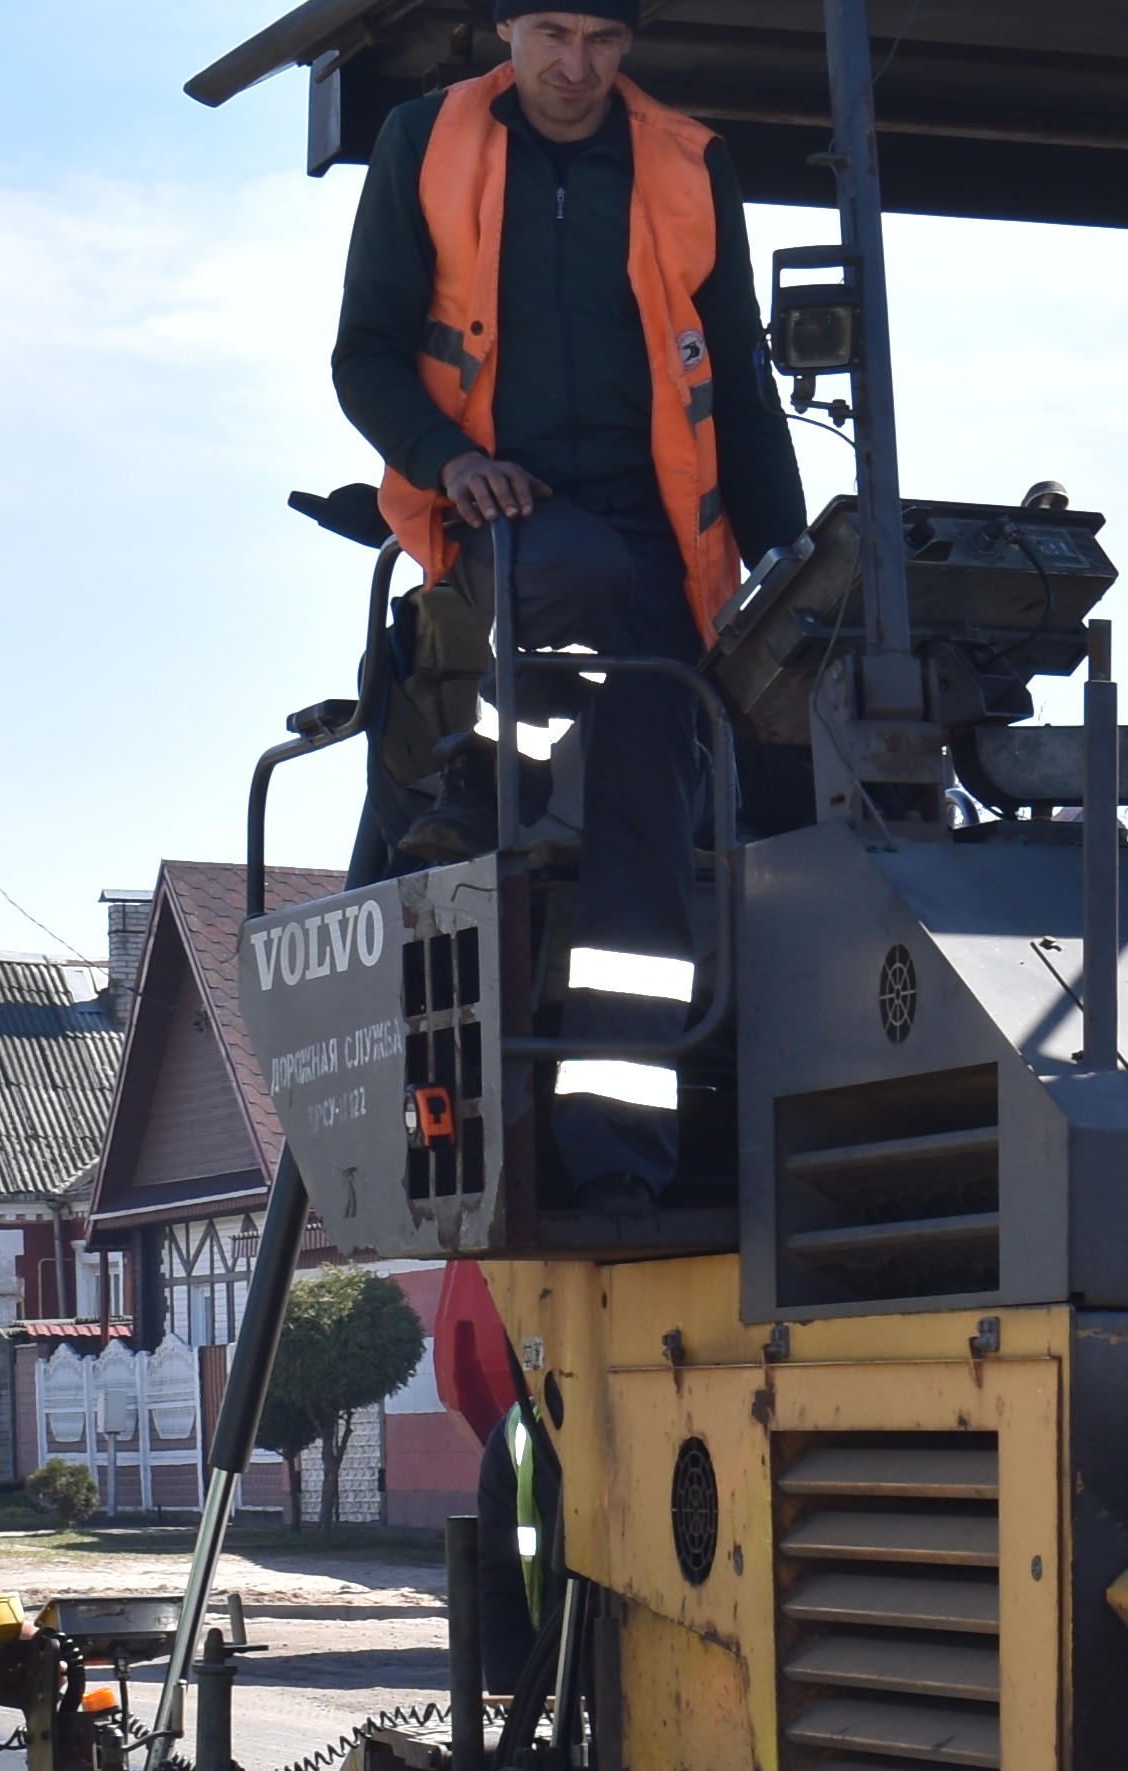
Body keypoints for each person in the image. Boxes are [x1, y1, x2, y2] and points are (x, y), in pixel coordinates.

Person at [327, 4, 806, 1185]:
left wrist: (793, 570)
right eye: (552, 33)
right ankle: (488, 778)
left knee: (648, 846)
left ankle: (618, 1155)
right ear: (505, 27)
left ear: (629, 45)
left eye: (602, 39)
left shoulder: (689, 164)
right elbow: (364, 355)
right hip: (500, 513)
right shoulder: (422, 142)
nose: (575, 65)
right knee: (571, 568)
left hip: (656, 543)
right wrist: (450, 461)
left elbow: (741, 386)